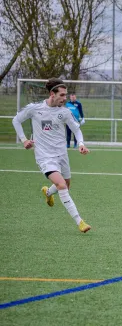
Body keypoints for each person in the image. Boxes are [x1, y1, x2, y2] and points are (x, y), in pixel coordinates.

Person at [12, 78, 92, 233]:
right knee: (62, 185)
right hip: (44, 156)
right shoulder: (35, 109)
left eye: (65, 95)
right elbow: (16, 120)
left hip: (62, 155)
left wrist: (81, 144)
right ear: (52, 94)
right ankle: (80, 221)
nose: (65, 98)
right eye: (61, 95)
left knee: (66, 185)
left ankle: (48, 193)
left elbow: (76, 129)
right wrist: (24, 140)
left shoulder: (65, 112)